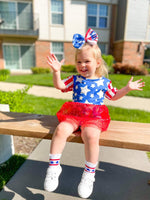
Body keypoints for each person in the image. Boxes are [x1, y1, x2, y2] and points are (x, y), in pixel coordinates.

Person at [44, 28, 145, 198]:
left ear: (97, 62)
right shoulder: (75, 79)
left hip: (94, 117)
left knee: (90, 135)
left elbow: (113, 96)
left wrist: (127, 89)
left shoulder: (103, 82)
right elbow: (60, 86)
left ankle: (89, 173)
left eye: (87, 61)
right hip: (74, 114)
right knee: (61, 130)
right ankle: (54, 167)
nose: (82, 65)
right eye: (79, 62)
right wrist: (56, 72)